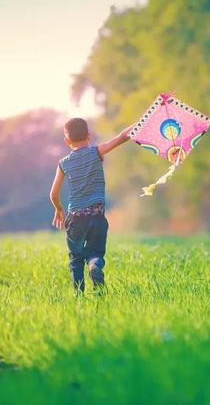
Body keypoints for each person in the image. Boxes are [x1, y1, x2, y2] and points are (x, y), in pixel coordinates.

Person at [49, 117, 133, 294]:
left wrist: (58, 209)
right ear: (89, 136)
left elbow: (53, 194)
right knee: (95, 252)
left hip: (75, 218)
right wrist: (144, 120)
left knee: (76, 258)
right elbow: (122, 137)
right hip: (96, 216)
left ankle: (78, 295)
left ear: (67, 141)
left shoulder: (63, 163)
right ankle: (95, 265)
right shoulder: (96, 152)